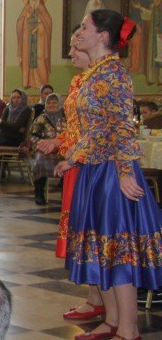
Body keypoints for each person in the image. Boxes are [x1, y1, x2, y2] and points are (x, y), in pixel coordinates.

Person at [59, 9, 162, 340]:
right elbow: (95, 129)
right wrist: (74, 155)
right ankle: (114, 320)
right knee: (100, 246)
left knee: (118, 248)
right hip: (95, 169)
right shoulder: (96, 72)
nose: (79, 32)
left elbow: (120, 126)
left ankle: (129, 331)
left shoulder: (114, 73)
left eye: (84, 27)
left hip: (111, 171)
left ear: (103, 35)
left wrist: (125, 171)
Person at [39, 35, 104, 318]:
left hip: (89, 164)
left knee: (93, 231)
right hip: (75, 163)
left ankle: (103, 301)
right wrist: (58, 142)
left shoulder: (101, 81)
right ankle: (95, 297)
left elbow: (97, 132)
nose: (71, 53)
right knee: (82, 232)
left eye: (76, 48)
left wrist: (73, 155)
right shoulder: (78, 82)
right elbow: (77, 130)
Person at [30, 93, 65, 205]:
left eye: (54, 102)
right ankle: (39, 193)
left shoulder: (67, 118)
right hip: (44, 149)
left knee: (70, 160)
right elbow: (33, 136)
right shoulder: (40, 119)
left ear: (60, 103)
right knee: (40, 160)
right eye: (48, 102)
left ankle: (66, 194)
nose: (51, 105)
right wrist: (43, 145)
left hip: (64, 147)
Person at [0, 88, 32, 161]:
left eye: (18, 97)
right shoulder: (8, 108)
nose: (16, 100)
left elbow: (16, 126)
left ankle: (1, 165)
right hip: (3, 134)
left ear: (23, 98)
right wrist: (9, 126)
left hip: (15, 138)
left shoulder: (26, 110)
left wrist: (4, 124)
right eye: (13, 97)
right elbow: (0, 124)